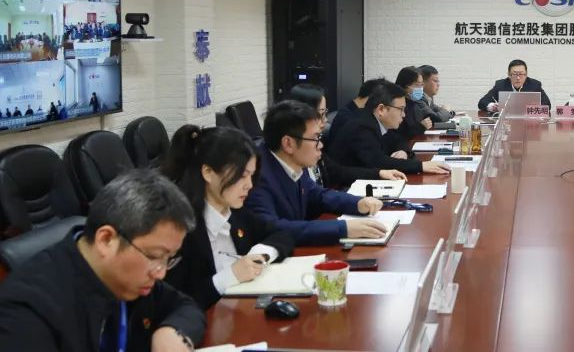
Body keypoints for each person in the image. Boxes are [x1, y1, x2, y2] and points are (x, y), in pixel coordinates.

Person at [0, 169, 205, 351]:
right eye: (154, 256)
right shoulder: (26, 310)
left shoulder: (133, 277)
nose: (161, 273)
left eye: (169, 258)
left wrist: (172, 331)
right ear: (106, 239)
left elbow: (185, 307)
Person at [162, 126, 295, 309]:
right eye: (242, 176)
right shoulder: (179, 229)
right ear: (208, 172)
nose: (249, 185)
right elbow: (174, 303)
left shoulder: (236, 212)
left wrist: (261, 254)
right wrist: (228, 277)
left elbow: (282, 234)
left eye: (251, 175)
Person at [243, 100, 388, 246]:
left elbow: (317, 194)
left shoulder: (293, 162)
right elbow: (273, 229)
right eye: (315, 138)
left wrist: (357, 203)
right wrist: (343, 228)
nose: (321, 145)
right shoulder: (255, 176)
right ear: (288, 143)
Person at [288, 83, 407, 188]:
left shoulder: (314, 144)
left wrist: (379, 174)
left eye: (325, 113)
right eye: (321, 114)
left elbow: (338, 172)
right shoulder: (293, 156)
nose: (325, 120)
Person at [324, 81, 450, 176]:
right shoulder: (361, 126)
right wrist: (421, 166)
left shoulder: (377, 121)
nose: (404, 115)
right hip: (346, 188)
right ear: (381, 109)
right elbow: (378, 162)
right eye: (401, 109)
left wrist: (403, 151)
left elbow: (398, 139)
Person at [478, 59, 551, 112]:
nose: (518, 78)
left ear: (526, 74)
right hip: (507, 123)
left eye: (521, 74)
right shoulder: (500, 85)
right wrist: (492, 107)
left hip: (528, 123)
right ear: (509, 75)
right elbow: (482, 102)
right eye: (514, 74)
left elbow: (547, 105)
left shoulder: (535, 85)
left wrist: (530, 110)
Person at [394, 66, 434, 138]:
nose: (420, 88)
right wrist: (421, 127)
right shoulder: (395, 104)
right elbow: (398, 133)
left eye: (421, 85)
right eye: (417, 85)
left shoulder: (414, 102)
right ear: (405, 86)